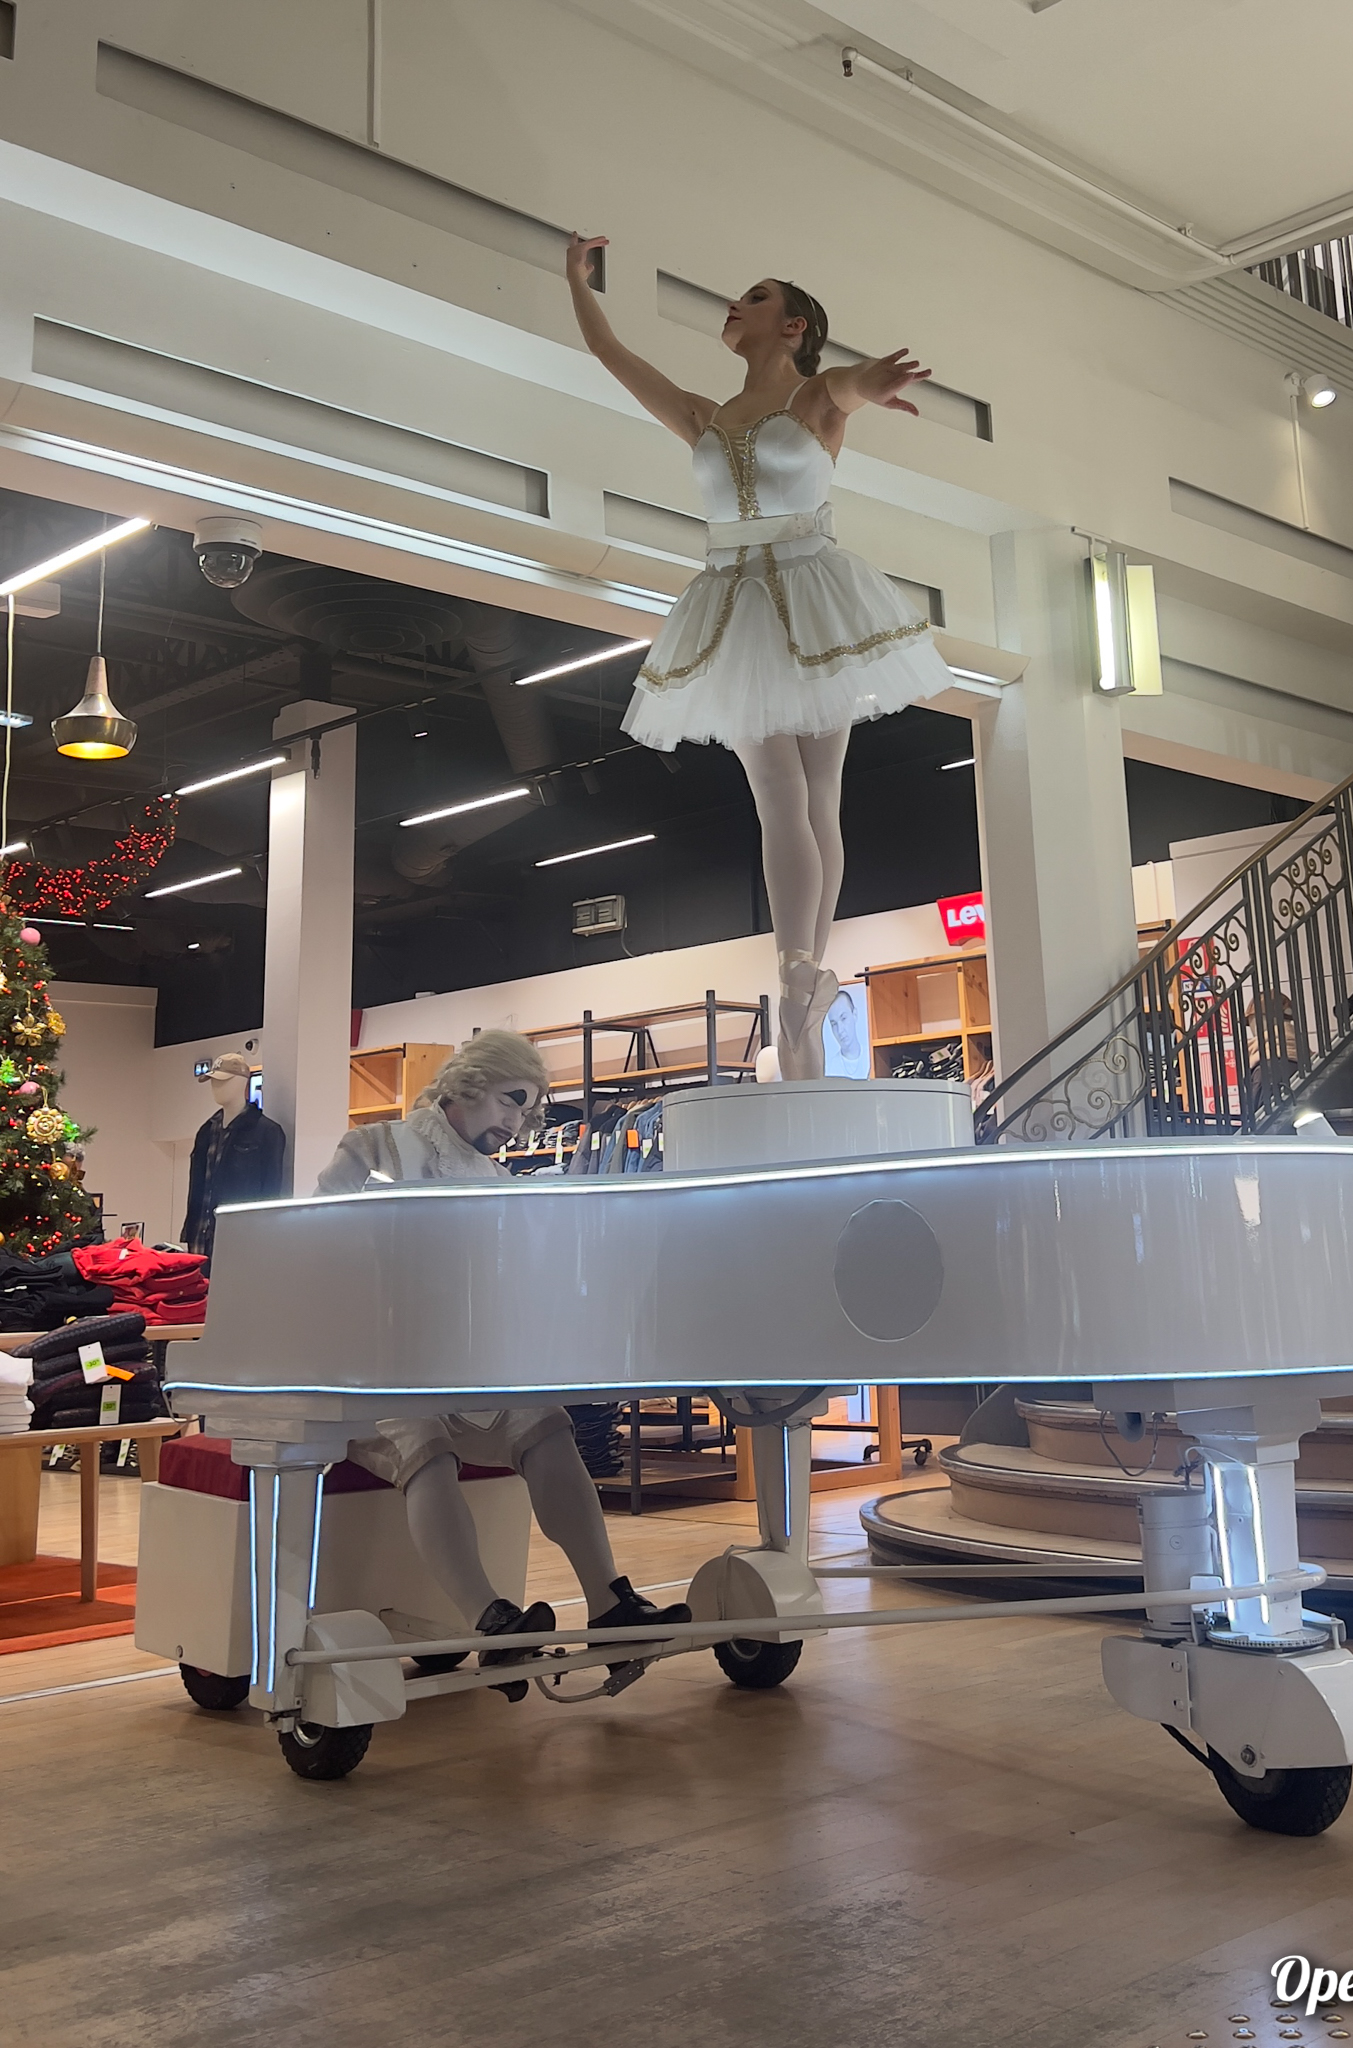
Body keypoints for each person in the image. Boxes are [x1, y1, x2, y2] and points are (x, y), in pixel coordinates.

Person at [565, 237, 955, 1079]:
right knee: (780, 792)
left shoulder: (818, 398)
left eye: (755, 296)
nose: (733, 306)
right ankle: (796, 974)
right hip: (734, 600)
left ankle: (805, 980)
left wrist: (872, 380)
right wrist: (577, 285)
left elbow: (847, 385)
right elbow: (608, 353)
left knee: (821, 794)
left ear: (795, 324)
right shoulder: (705, 416)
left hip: (812, 589)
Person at [315, 1031, 689, 1696]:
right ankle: (488, 1621)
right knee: (420, 1436)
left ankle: (610, 1607)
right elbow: (321, 1243)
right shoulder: (376, 1150)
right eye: (512, 1101)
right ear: (469, 1084)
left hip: (469, 1367)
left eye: (528, 1110)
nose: (517, 1121)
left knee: (543, 1423)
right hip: (374, 1369)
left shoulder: (496, 1179)